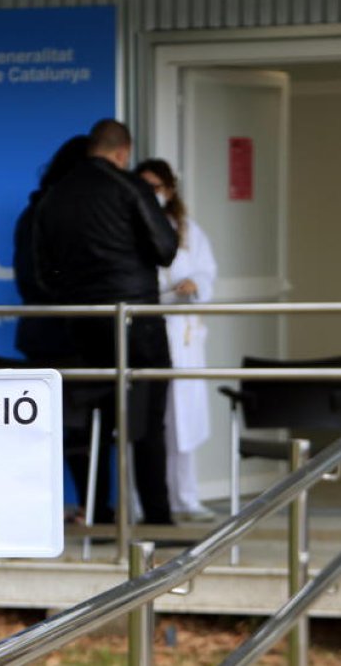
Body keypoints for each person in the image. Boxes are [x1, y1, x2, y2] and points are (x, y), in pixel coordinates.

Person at [32, 119, 179, 525]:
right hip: (138, 324)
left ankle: (96, 516)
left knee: (94, 424)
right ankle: (157, 519)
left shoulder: (54, 197)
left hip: (83, 327)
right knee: (146, 427)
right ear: (122, 152)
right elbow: (166, 249)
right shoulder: (130, 186)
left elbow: (43, 274)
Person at [136, 158, 218, 523]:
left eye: (157, 187)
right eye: (145, 187)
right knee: (150, 422)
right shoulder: (133, 226)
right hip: (151, 330)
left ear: (169, 189)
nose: (152, 195)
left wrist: (195, 284)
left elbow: (206, 270)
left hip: (182, 334)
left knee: (183, 420)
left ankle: (186, 497)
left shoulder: (188, 230)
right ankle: (142, 502)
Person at [12, 135, 89, 363]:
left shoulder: (35, 211)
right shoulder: (47, 213)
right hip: (63, 334)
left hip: (48, 332)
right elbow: (33, 276)